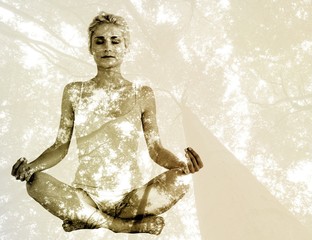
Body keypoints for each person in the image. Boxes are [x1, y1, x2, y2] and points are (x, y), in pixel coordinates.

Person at [11, 12, 203, 235]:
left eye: (115, 41)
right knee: (34, 183)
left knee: (183, 181)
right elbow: (60, 146)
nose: (107, 47)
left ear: (126, 46)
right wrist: (31, 167)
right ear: (91, 48)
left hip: (131, 199)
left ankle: (89, 220)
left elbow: (156, 150)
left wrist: (182, 166)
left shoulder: (142, 93)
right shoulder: (74, 91)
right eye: (99, 41)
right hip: (85, 197)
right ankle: (120, 225)